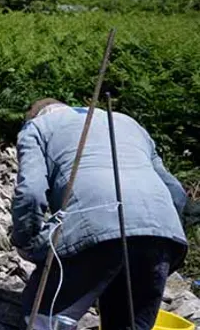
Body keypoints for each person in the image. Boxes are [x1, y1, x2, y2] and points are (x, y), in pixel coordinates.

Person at [12, 98, 188, 329]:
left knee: (44, 317)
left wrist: (28, 240)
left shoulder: (38, 127)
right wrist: (157, 232)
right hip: (163, 233)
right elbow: (176, 194)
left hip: (94, 224)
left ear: (36, 115)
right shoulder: (128, 124)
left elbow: (31, 193)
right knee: (128, 323)